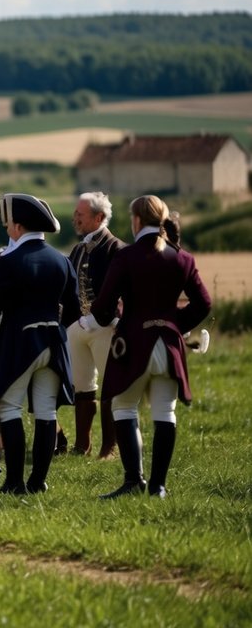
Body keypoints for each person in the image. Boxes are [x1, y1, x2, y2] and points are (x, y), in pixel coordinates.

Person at [85, 195, 211, 499]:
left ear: (137, 220)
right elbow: (204, 303)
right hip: (168, 346)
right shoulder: (183, 258)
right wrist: (174, 324)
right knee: (165, 412)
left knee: (124, 407)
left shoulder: (126, 257)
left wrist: (105, 316)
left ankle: (133, 481)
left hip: (133, 343)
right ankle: (159, 487)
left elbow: (103, 305)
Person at [0, 193, 80, 495]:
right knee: (46, 411)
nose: (7, 229)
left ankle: (14, 483)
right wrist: (55, 324)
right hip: (54, 342)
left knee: (8, 407)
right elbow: (74, 308)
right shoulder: (62, 260)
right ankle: (38, 481)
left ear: (19, 227)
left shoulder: (10, 261)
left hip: (21, 342)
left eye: (9, 224)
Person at [64, 192, 125, 458]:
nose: (75, 218)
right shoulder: (78, 249)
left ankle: (110, 447)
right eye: (76, 213)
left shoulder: (116, 249)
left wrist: (110, 320)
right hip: (79, 327)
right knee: (82, 387)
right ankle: (82, 445)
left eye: (81, 214)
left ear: (99, 217)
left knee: (111, 387)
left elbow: (120, 292)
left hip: (106, 327)